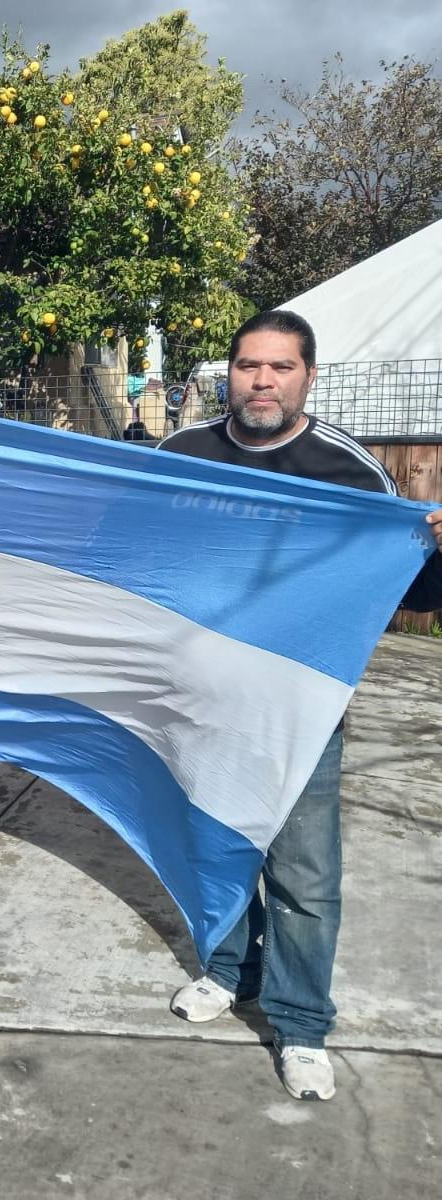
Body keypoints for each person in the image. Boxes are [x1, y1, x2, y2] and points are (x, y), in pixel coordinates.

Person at [158, 309, 442, 1101]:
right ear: (230, 374)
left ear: (307, 376)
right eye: (248, 365)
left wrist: (435, 550)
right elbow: (129, 555)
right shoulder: (179, 455)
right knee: (217, 848)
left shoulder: (347, 469)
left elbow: (408, 593)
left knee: (304, 873)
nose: (262, 381)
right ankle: (227, 971)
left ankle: (303, 1022)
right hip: (198, 701)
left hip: (301, 709)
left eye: (280, 367)